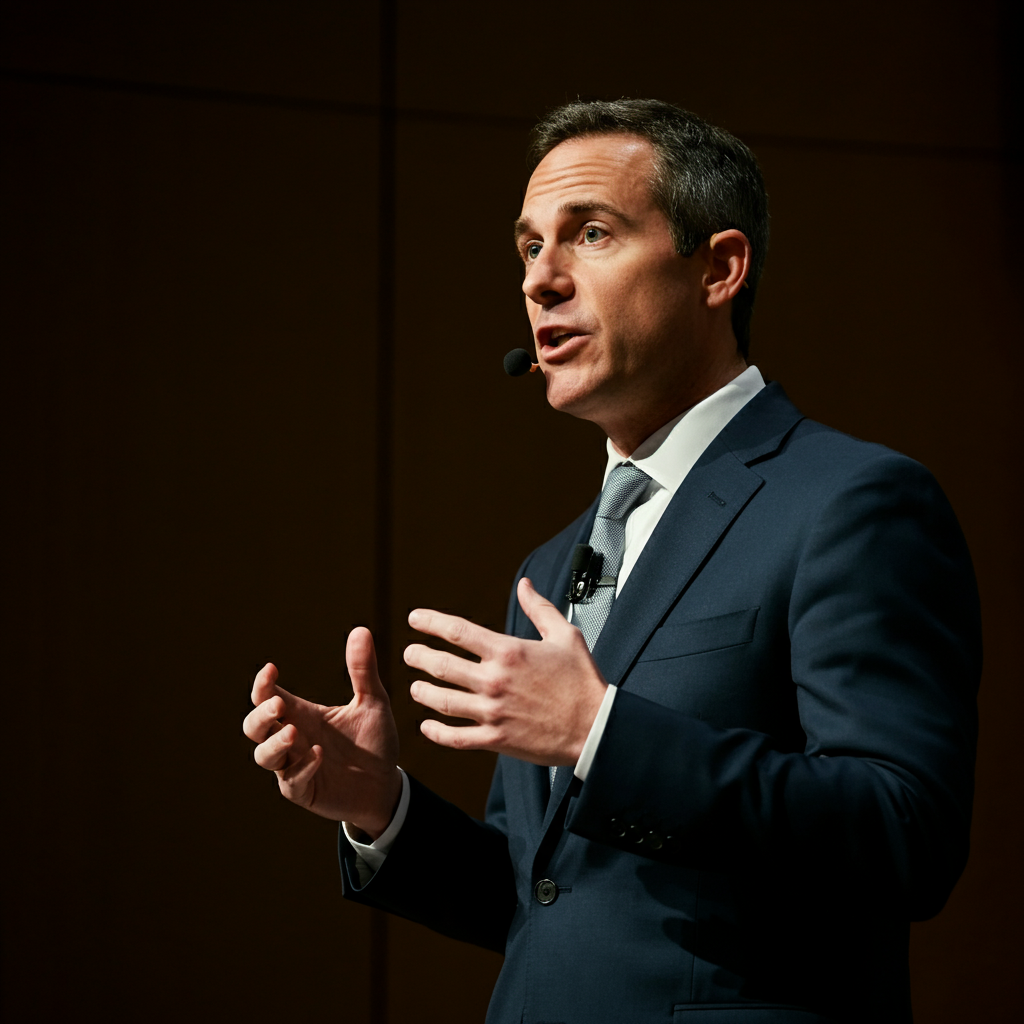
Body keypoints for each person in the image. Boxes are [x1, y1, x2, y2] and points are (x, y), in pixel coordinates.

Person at [243, 99, 981, 1024]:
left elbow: (904, 835)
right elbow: (546, 895)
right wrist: (383, 809)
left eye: (590, 234)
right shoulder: (553, 564)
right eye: (528, 247)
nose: (540, 280)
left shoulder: (853, 502)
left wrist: (602, 733)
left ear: (719, 268)